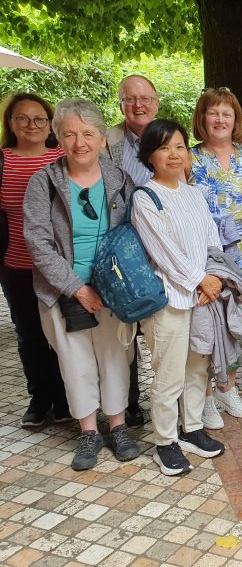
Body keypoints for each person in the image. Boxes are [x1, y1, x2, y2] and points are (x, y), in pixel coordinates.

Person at [23, 98, 140, 471]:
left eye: (88, 134)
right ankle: (88, 432)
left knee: (116, 358)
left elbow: (137, 234)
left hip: (113, 289)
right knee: (75, 363)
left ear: (103, 138)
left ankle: (118, 426)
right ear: (58, 137)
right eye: (70, 134)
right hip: (63, 290)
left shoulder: (121, 181)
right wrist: (76, 288)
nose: (80, 143)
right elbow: (37, 242)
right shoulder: (44, 182)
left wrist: (116, 285)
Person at [131, 119, 226, 475]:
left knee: (197, 366)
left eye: (180, 147)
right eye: (164, 147)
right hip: (170, 299)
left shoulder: (193, 193)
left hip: (202, 294)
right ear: (150, 156)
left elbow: (211, 238)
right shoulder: (146, 197)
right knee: (168, 373)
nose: (174, 154)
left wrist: (213, 277)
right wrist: (200, 280)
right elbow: (164, 251)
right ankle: (165, 441)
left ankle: (193, 428)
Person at [189, 87, 242, 426]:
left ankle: (228, 388)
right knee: (206, 328)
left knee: (235, 326)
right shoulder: (189, 159)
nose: (220, 119)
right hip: (205, 262)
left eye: (227, 114)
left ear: (236, 121)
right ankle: (204, 397)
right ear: (203, 118)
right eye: (213, 113)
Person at [0, 93, 69, 427]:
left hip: (61, 266)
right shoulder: (2, 160)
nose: (31, 125)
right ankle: (40, 398)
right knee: (29, 335)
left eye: (39, 118)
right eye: (22, 118)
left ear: (50, 123)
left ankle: (68, 398)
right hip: (16, 265)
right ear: (10, 124)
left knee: (65, 332)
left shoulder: (64, 157)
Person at [104, 73, 161, 428]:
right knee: (124, 324)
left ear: (156, 102)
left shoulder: (168, 136)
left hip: (159, 246)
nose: (138, 105)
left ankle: (168, 397)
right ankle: (128, 402)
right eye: (130, 99)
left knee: (157, 320)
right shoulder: (107, 140)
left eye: (144, 98)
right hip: (122, 244)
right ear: (121, 103)